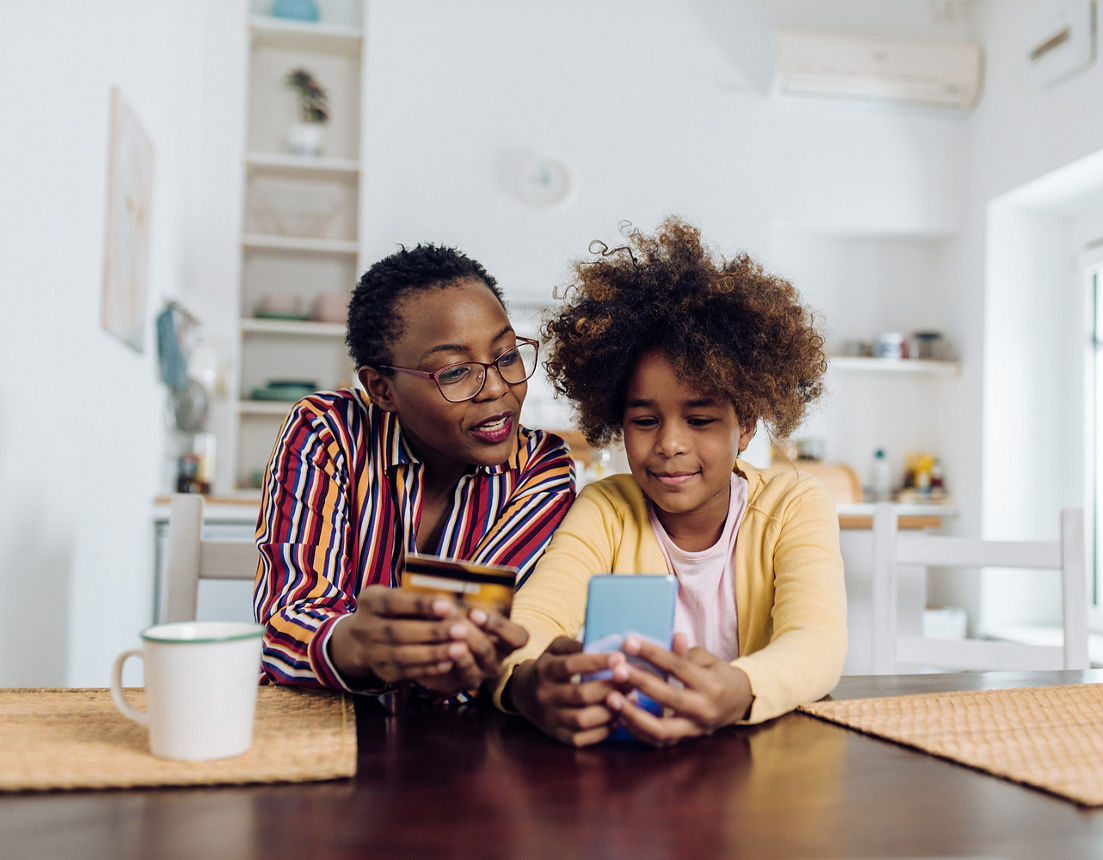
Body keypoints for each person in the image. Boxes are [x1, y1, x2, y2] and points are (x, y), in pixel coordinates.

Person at [494, 217, 846, 747]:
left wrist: (740, 689)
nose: (670, 444)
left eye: (700, 420)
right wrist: (526, 682)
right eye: (644, 420)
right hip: (626, 764)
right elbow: (535, 618)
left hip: (759, 765)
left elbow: (817, 641)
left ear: (745, 426)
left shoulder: (793, 504)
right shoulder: (605, 508)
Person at [253, 244, 576, 696]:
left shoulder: (541, 467)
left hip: (452, 732)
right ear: (381, 389)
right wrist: (357, 645)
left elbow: (477, 638)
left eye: (506, 356)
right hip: (316, 721)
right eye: (455, 372)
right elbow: (285, 624)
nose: (496, 388)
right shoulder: (328, 432)